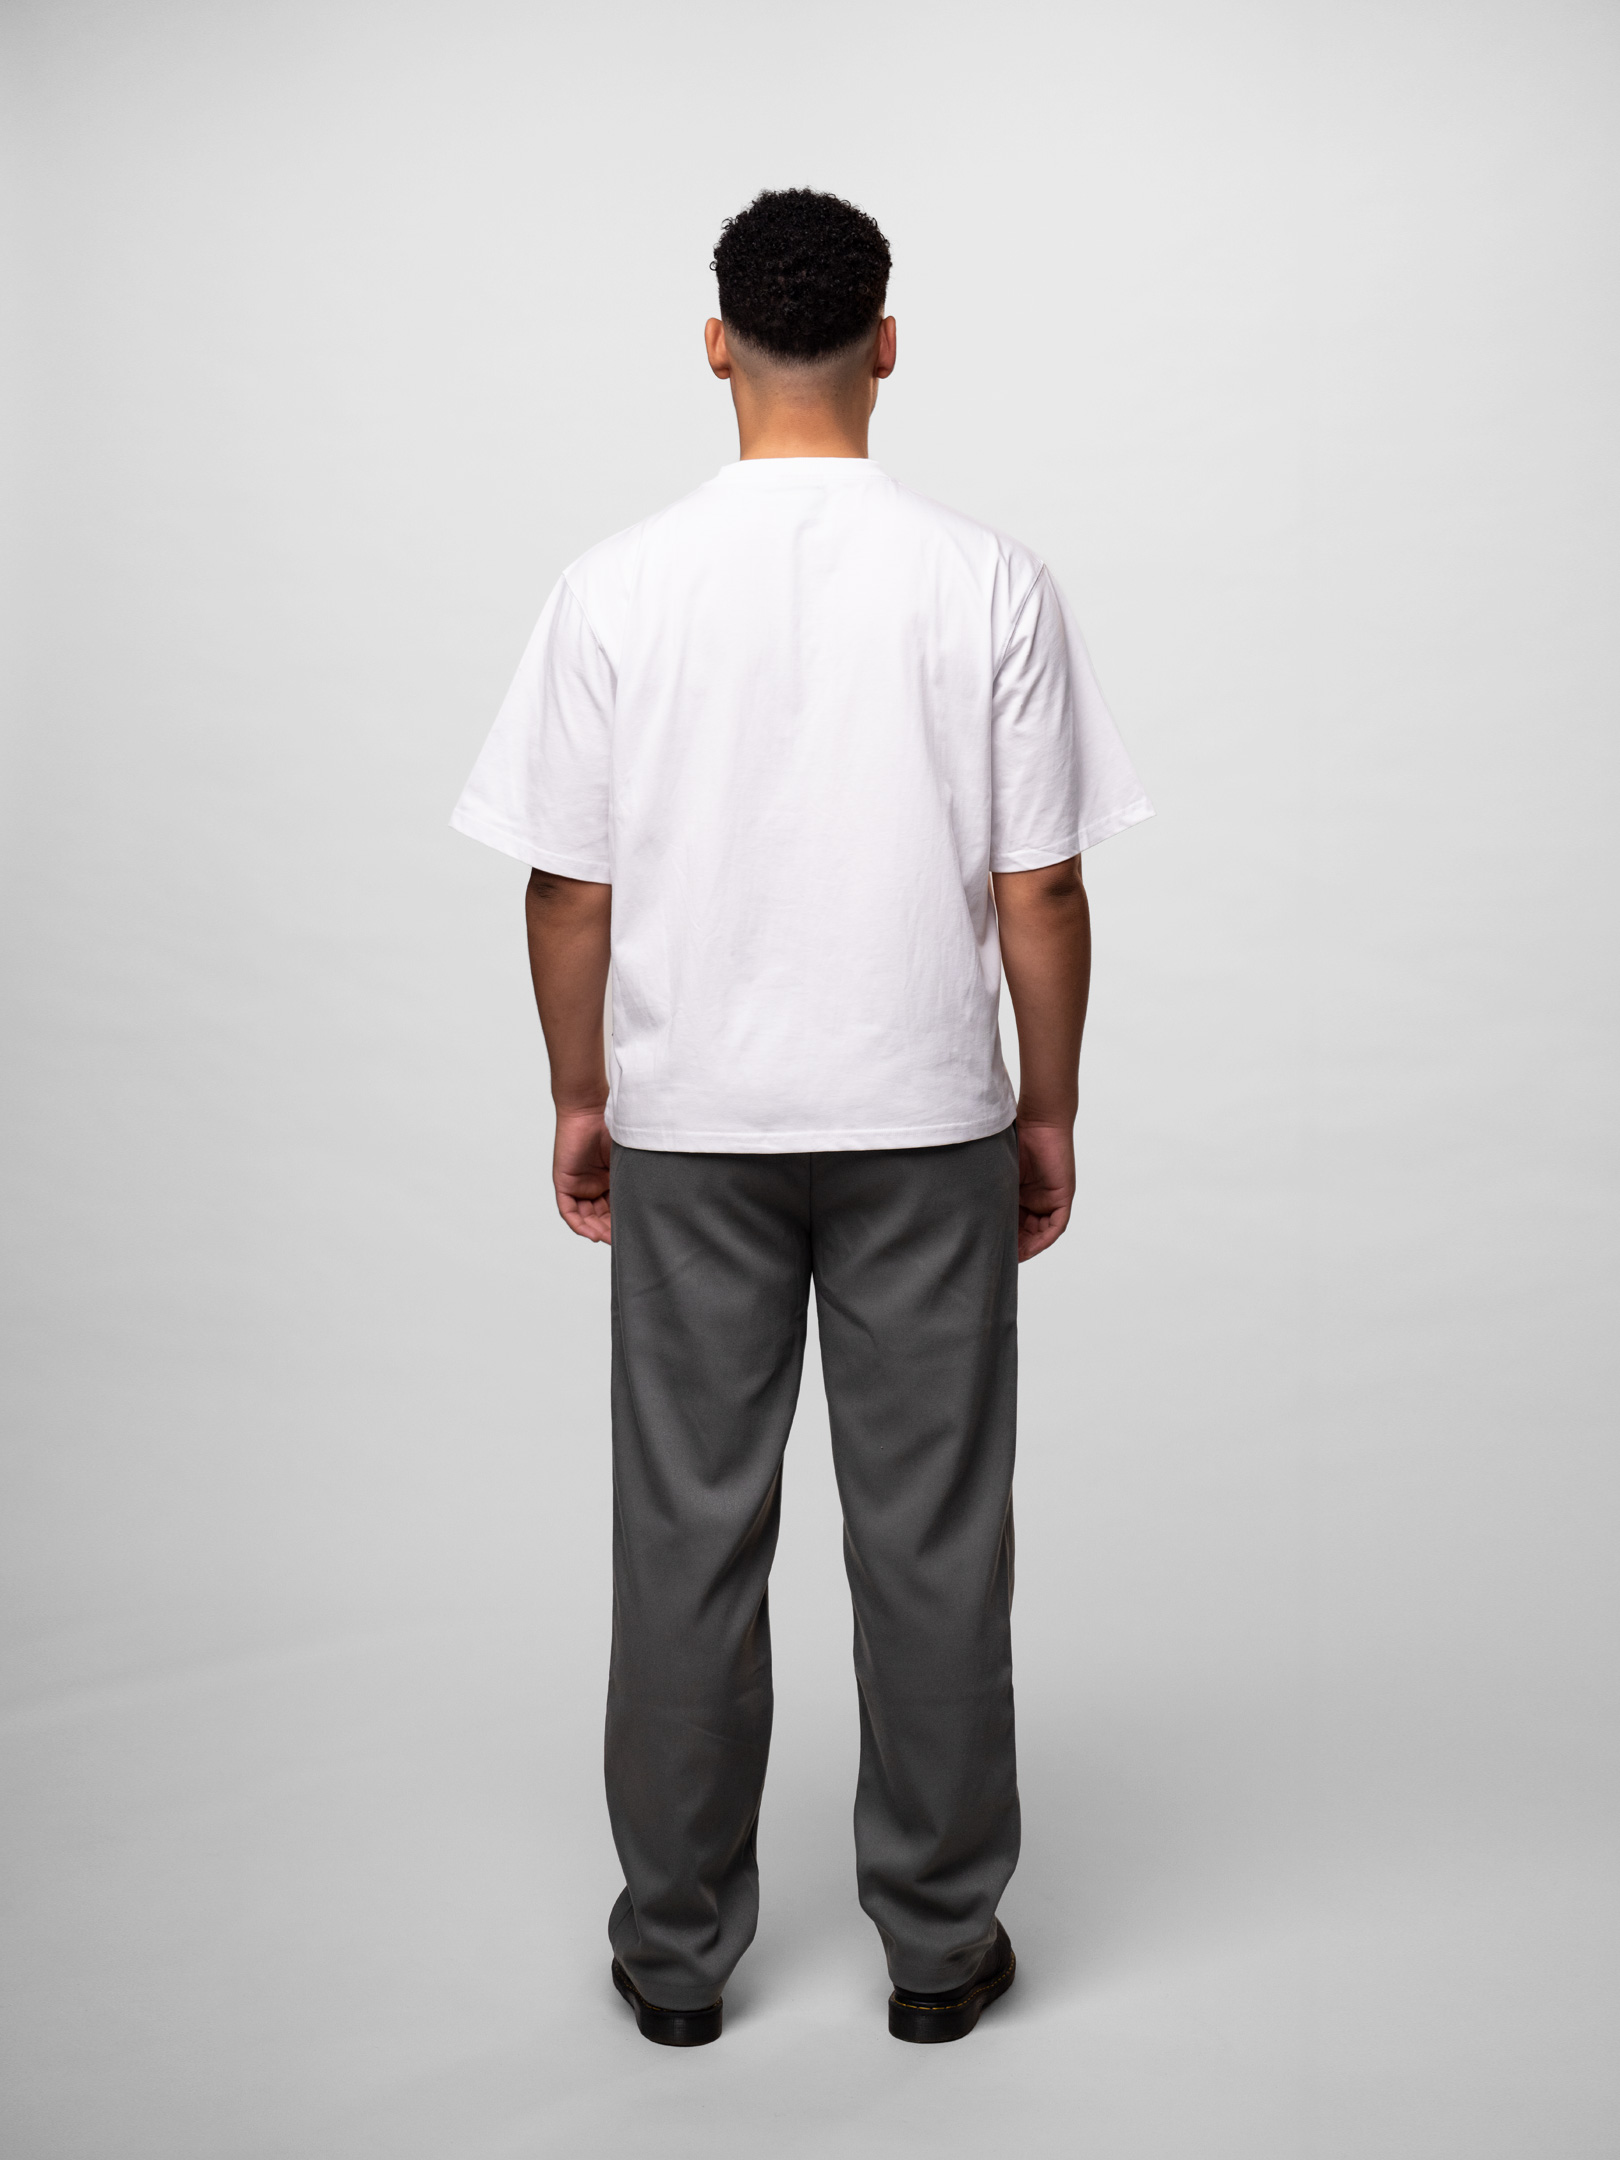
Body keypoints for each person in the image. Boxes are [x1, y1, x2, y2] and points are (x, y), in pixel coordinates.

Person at [451, 188, 1151, 2048]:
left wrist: (583, 1092)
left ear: (715, 346)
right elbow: (1043, 886)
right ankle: (939, 1948)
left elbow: (565, 890)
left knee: (687, 1538)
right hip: (927, 1117)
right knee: (934, 1538)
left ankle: (677, 1960)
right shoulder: (988, 579)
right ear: (887, 344)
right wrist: (1050, 1108)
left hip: (694, 1122)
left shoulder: (616, 585)